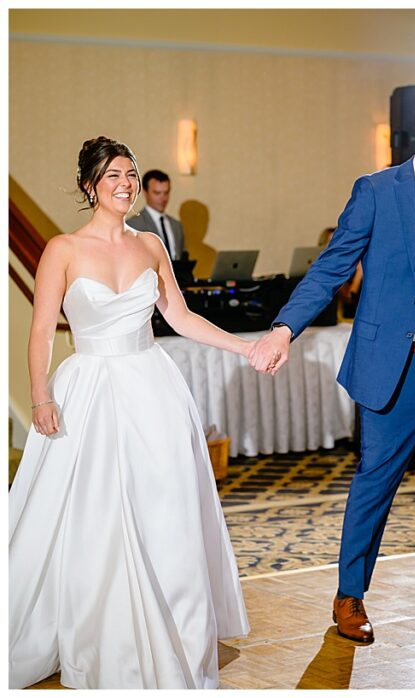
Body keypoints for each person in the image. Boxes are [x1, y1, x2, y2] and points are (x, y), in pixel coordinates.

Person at [246, 80, 415, 667]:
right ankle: (349, 596)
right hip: (399, 366)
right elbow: (331, 267)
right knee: (374, 485)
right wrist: (284, 329)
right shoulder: (375, 192)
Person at [9, 137, 249, 689]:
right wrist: (40, 395)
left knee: (164, 506)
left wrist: (245, 347)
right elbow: (43, 330)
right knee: (94, 511)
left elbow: (181, 318)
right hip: (88, 387)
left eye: (132, 173)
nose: (126, 183)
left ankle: (175, 624)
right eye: (114, 174)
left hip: (152, 386)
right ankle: (104, 632)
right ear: (90, 185)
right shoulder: (62, 249)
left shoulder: (150, 247)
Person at [126, 169, 186, 260]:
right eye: (157, 193)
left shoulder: (176, 226)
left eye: (166, 193)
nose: (163, 198)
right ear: (145, 193)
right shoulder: (133, 225)